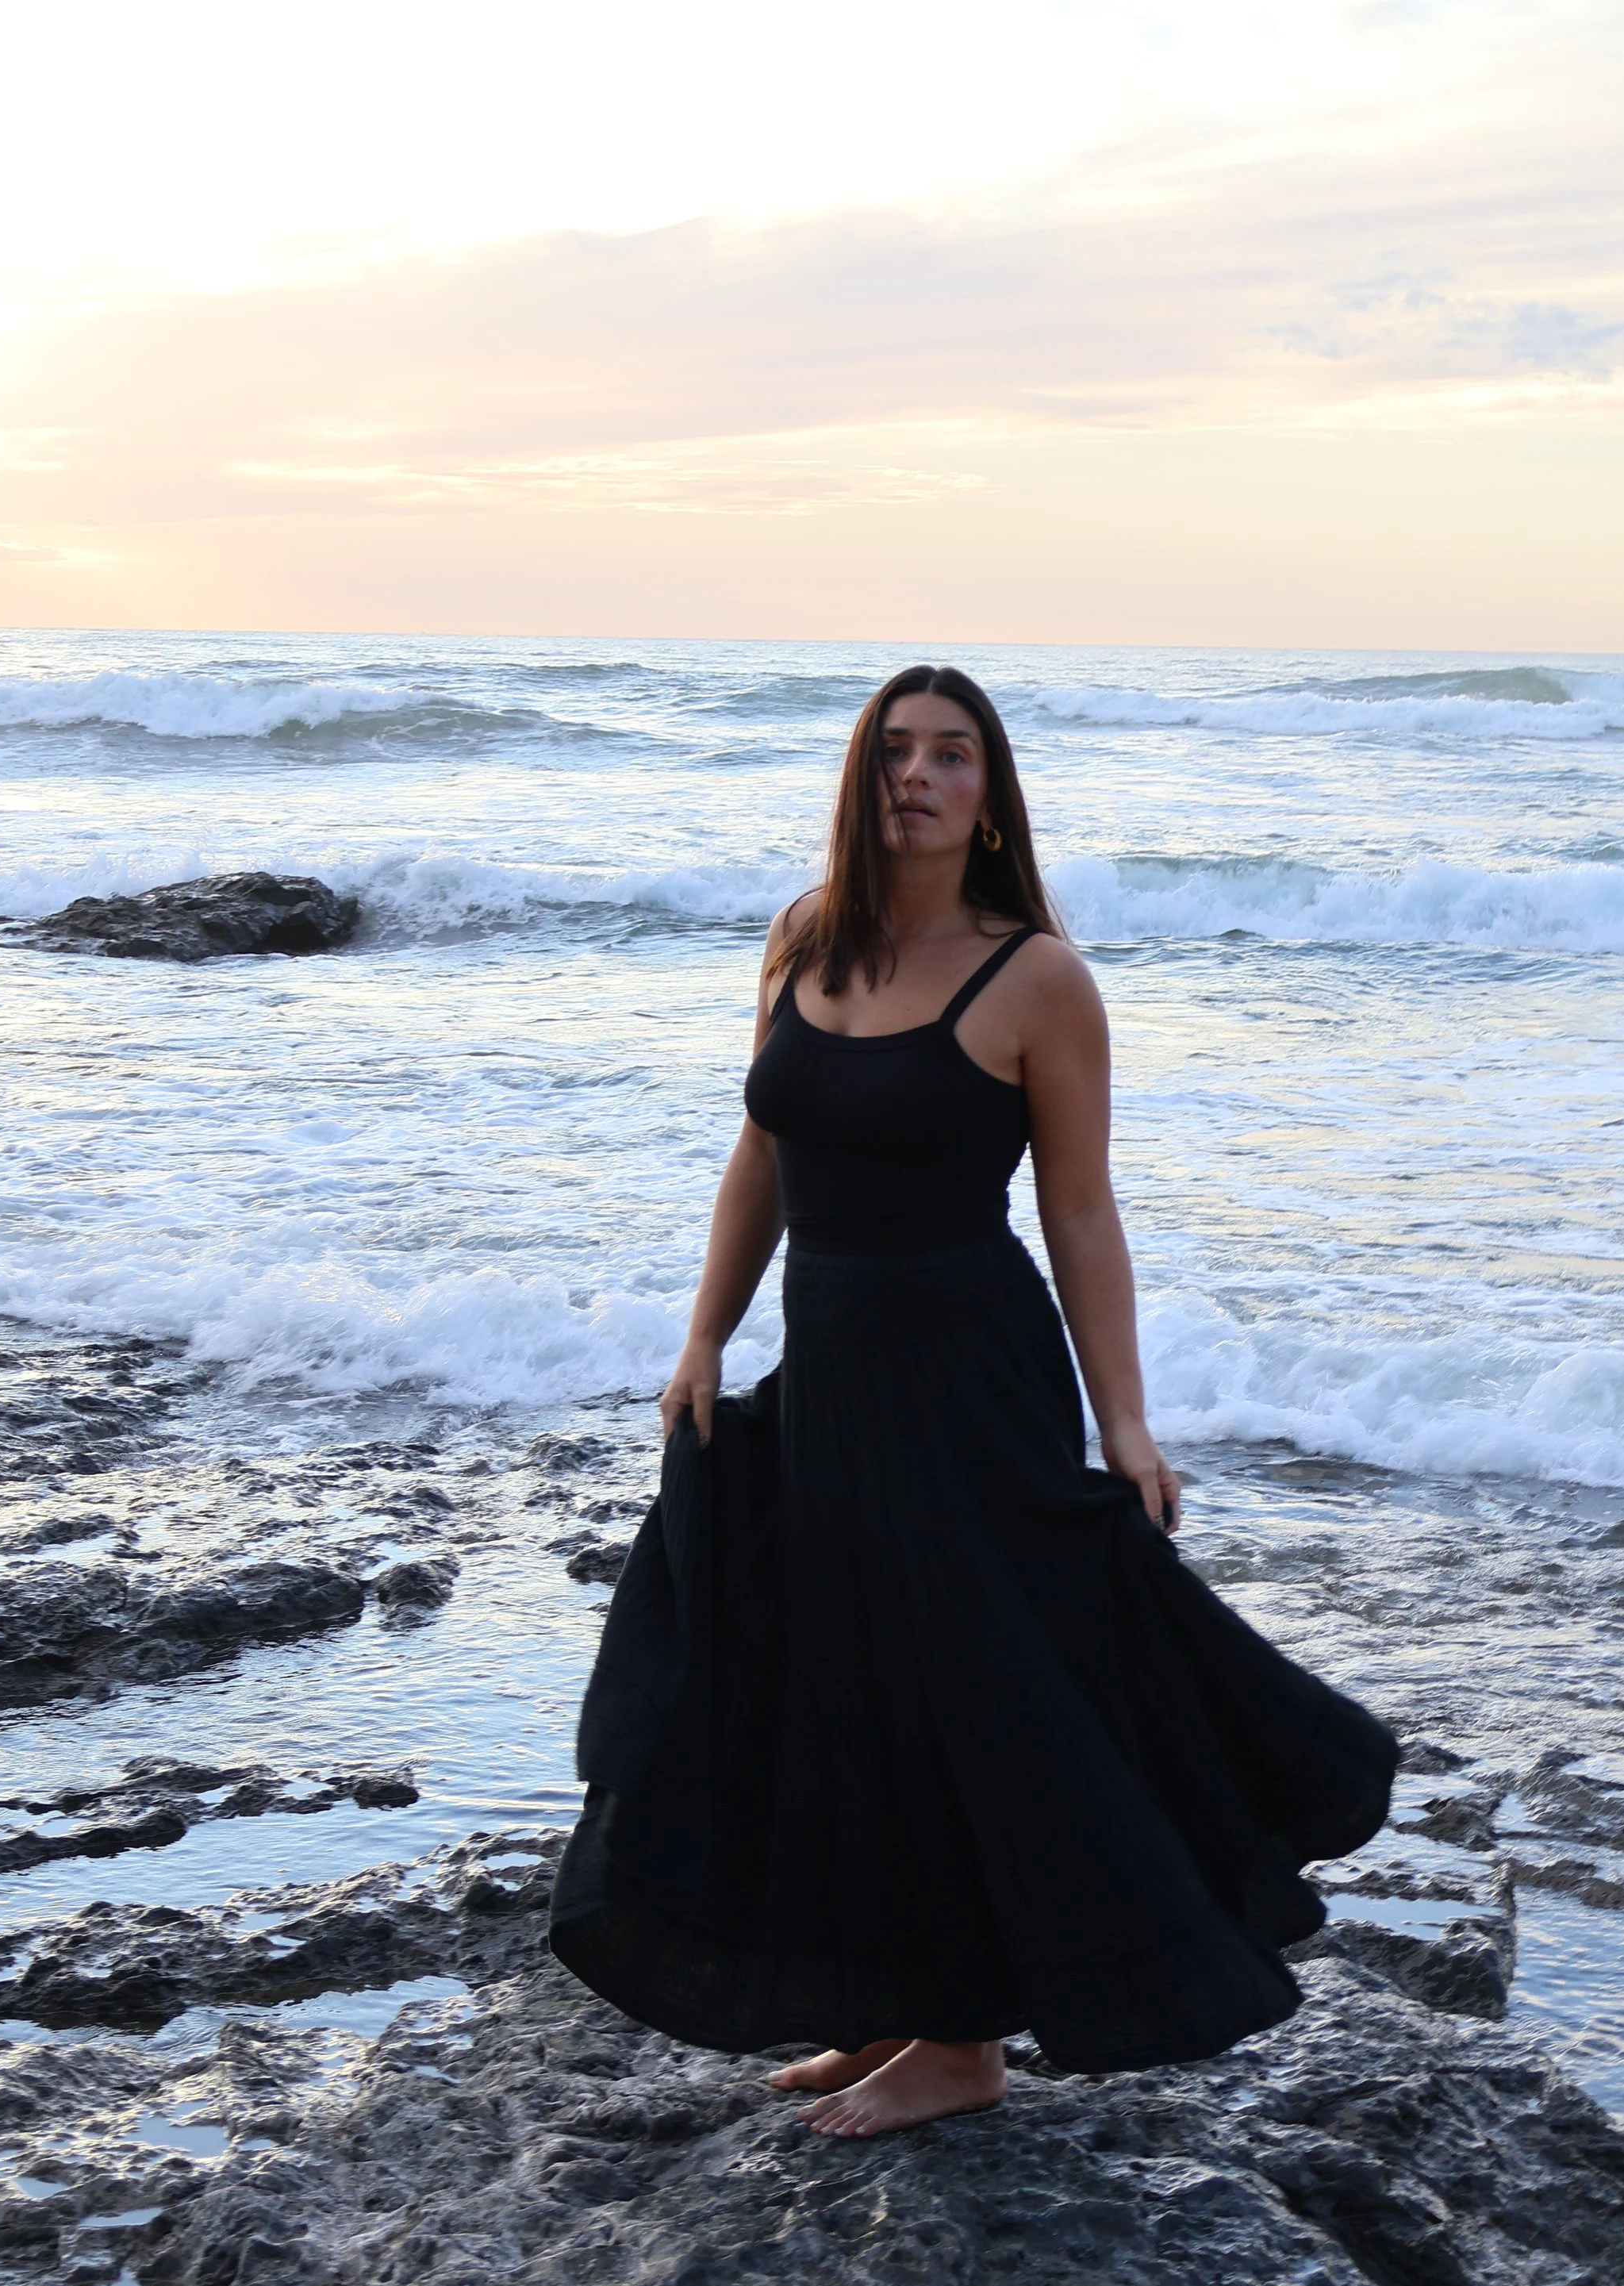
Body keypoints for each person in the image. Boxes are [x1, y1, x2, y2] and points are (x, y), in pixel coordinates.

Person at [548, 665, 1396, 2137]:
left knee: (968, 1687)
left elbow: (1079, 1211)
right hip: (829, 1377)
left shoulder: (1039, 979)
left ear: (991, 793)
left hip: (966, 1378)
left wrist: (1122, 1421)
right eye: (894, 752)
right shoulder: (804, 942)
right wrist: (705, 1338)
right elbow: (763, 1155)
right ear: (859, 779)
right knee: (838, 1684)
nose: (918, 777)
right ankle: (887, 2004)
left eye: (951, 755)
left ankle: (963, 2045)